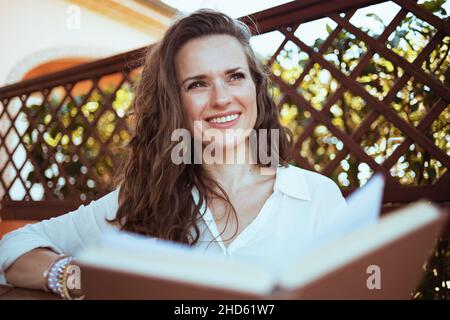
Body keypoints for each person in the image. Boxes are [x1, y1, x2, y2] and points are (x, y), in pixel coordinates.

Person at [0, 10, 346, 299]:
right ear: (174, 103)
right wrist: (73, 277)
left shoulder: (316, 197)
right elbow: (14, 246)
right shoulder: (142, 201)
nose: (221, 97)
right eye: (197, 83)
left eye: (235, 76)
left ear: (256, 88)